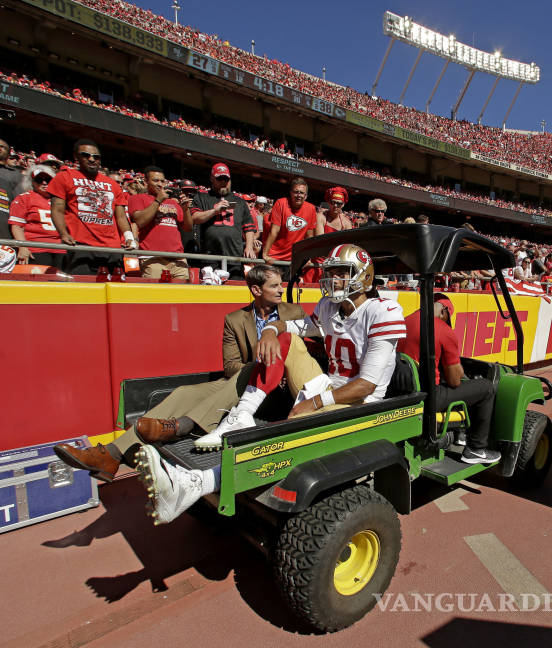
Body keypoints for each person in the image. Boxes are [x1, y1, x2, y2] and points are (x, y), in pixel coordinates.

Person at [134, 244, 407, 524]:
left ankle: (196, 483)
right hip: (329, 387)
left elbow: (366, 385)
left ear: (363, 276)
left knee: (291, 430)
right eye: (331, 272)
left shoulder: (384, 311)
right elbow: (299, 328)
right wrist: (271, 330)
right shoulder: (330, 306)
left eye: (341, 272)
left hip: (360, 403)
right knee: (287, 342)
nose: (332, 279)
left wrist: (312, 403)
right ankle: (243, 415)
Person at [54, 264, 306, 482]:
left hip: (277, 391)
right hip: (240, 386)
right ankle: (110, 455)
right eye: (274, 286)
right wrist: (256, 370)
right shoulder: (235, 319)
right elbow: (230, 367)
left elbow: (312, 344)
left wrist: (272, 367)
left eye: (280, 284)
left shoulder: (295, 313)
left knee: (252, 368)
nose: (281, 289)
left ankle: (181, 426)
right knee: (185, 391)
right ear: (256, 290)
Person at [398, 294, 500, 465]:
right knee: (486, 387)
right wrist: (459, 371)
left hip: (402, 389)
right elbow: (454, 381)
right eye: (448, 318)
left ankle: (460, 434)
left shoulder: (404, 321)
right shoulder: (444, 331)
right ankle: (476, 448)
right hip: (429, 396)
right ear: (444, 311)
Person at [48, 139, 137, 274]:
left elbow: (120, 216)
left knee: (114, 292)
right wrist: (63, 234)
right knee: (83, 291)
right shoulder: (64, 177)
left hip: (112, 248)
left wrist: (129, 237)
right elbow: (57, 209)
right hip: (81, 246)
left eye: (96, 157)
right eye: (85, 155)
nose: (91, 159)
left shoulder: (112, 184)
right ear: (76, 157)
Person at [190, 162, 257, 278]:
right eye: (219, 178)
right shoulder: (202, 197)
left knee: (235, 290)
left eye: (226, 179)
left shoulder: (240, 201)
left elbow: (248, 227)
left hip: (234, 256)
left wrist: (249, 246)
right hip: (210, 256)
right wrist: (214, 211)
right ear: (212, 179)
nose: (223, 182)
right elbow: (195, 218)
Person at [128, 166, 193, 280]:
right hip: (152, 258)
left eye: (162, 181)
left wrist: (186, 209)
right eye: (155, 180)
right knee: (155, 296)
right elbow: (140, 221)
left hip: (178, 259)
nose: (160, 184)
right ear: (145, 181)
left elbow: (188, 228)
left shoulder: (173, 203)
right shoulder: (138, 198)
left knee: (182, 296)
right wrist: (158, 200)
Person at [8, 164, 66, 268]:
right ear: (32, 183)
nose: (44, 183)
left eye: (48, 179)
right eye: (39, 180)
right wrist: (23, 247)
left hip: (61, 248)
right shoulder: (24, 198)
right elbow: (17, 226)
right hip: (37, 248)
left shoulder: (60, 200)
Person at [262, 178, 316, 266]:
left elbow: (309, 236)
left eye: (302, 193)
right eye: (296, 192)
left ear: (306, 196)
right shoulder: (280, 203)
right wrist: (265, 253)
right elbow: (274, 231)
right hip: (275, 256)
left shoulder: (311, 209)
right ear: (290, 193)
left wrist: (307, 257)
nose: (299, 195)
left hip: (294, 258)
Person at [0, 139, 22, 239]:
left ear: (9, 154)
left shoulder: (16, 175)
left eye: (2, 147)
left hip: (4, 228)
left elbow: (20, 205)